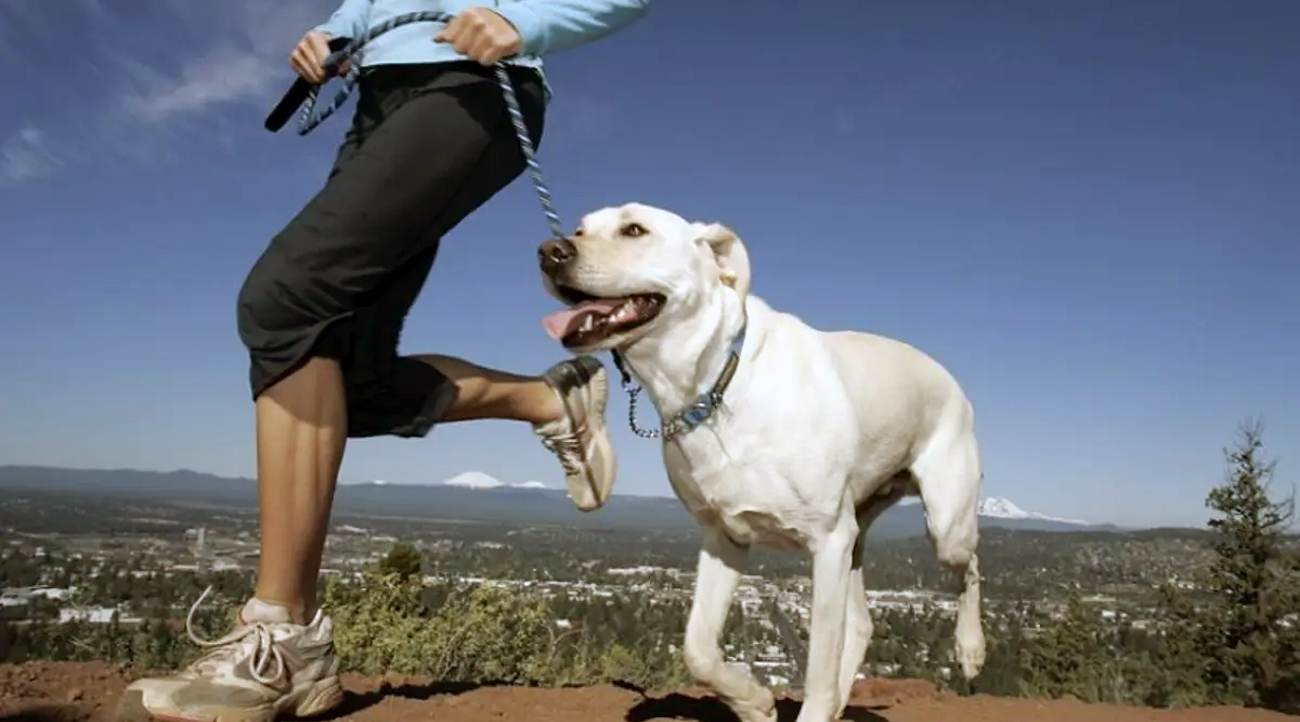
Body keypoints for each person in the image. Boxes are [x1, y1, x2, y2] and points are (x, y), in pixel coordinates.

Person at [117, 1, 650, 721]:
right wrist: (334, 34)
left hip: (468, 85)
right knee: (349, 388)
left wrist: (528, 20)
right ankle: (549, 401)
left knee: (285, 301)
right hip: (378, 98)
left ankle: (282, 631)